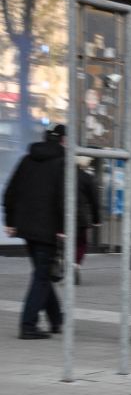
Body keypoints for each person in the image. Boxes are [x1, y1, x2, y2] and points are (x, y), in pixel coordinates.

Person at [3, 123, 67, 339]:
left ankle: (56, 319)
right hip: (48, 229)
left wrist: (11, 221)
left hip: (26, 227)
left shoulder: (27, 159)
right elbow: (62, 199)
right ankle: (28, 324)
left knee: (43, 273)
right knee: (41, 276)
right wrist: (62, 227)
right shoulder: (62, 163)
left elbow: (10, 191)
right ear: (64, 141)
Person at [74, 163, 100, 284]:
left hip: (60, 216)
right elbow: (94, 200)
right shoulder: (86, 177)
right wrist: (96, 219)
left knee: (62, 241)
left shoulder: (59, 174)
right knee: (81, 243)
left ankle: (63, 259)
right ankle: (75, 264)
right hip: (80, 218)